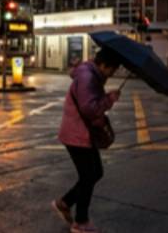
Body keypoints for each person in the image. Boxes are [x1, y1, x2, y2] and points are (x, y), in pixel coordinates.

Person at [53, 47, 121, 233]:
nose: (113, 74)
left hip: (82, 133)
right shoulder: (87, 77)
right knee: (89, 176)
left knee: (95, 172)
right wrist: (109, 99)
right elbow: (89, 109)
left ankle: (65, 203)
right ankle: (81, 223)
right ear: (104, 65)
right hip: (77, 134)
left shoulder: (93, 75)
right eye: (112, 70)